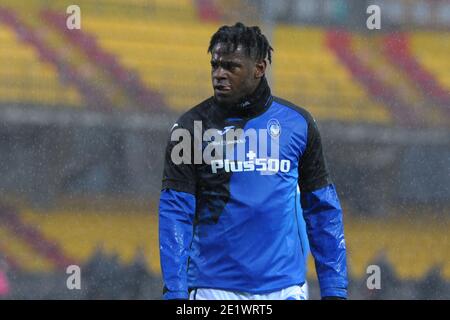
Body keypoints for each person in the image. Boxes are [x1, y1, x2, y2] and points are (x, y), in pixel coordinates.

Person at [159, 22, 347, 300]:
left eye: (231, 67)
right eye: (215, 65)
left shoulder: (298, 124)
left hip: (284, 289)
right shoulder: (190, 128)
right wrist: (174, 291)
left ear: (259, 68)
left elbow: (322, 210)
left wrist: (334, 289)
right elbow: (175, 212)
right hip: (213, 289)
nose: (219, 75)